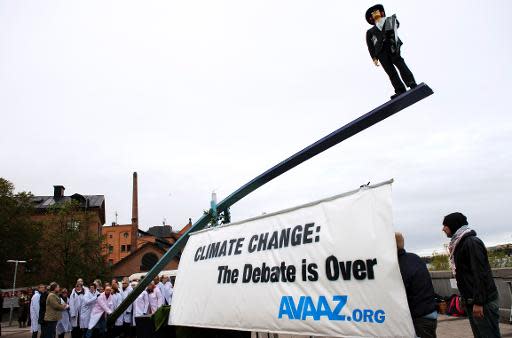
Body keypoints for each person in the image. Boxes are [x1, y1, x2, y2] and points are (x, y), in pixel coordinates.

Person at [442, 212, 501, 338]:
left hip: (483, 303)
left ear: (453, 225)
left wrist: (479, 302)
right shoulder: (459, 243)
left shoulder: (471, 242)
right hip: (473, 301)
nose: (443, 229)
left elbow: (480, 274)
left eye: (445, 225)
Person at [365, 4, 417, 99]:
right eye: (373, 13)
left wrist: (392, 23)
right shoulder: (370, 31)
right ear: (371, 18)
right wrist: (374, 58)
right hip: (381, 52)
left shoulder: (389, 20)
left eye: (376, 11)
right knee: (390, 71)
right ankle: (400, 89)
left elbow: (397, 24)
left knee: (400, 63)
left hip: (392, 46)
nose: (375, 13)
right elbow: (370, 46)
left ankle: (410, 82)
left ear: (381, 12)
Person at [395, 232, 437, 338]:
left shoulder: (398, 264)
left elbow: (398, 291)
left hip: (418, 317)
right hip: (428, 312)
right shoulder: (414, 258)